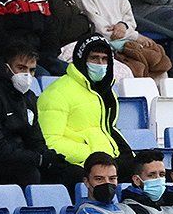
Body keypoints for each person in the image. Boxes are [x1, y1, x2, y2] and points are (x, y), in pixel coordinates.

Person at [0, 40, 84, 187]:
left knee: (73, 173)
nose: (27, 75)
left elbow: (36, 139)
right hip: (0, 162)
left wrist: (50, 158)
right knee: (30, 173)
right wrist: (38, 159)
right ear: (6, 68)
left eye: (31, 70)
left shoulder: (29, 97)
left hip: (24, 159)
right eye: (21, 68)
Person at [38, 33, 132, 168]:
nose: (100, 64)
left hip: (106, 162)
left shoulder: (106, 93)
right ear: (81, 59)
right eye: (94, 58)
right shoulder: (56, 93)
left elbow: (108, 131)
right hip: (80, 165)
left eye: (105, 59)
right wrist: (93, 156)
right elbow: (50, 142)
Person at [72, 151, 166, 214]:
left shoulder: (125, 208)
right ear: (87, 182)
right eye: (99, 179)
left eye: (112, 178)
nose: (107, 183)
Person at [72, 0, 171, 79]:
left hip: (127, 38)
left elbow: (131, 22)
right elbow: (101, 30)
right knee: (137, 68)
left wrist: (123, 25)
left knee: (159, 66)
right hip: (103, 44)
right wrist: (135, 36)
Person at [0, 0, 67, 76]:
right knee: (44, 76)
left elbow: (49, 31)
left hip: (40, 56)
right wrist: (28, 56)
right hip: (11, 58)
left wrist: (47, 56)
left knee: (69, 72)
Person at [120, 149, 173, 214]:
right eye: (151, 175)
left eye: (162, 175)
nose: (158, 179)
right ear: (137, 180)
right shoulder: (129, 209)